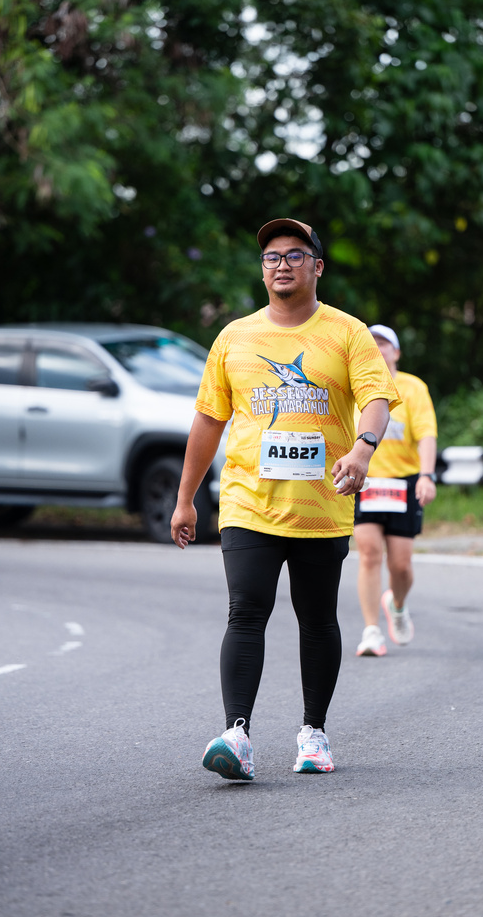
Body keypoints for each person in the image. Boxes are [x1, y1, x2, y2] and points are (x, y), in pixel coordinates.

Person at [170, 218, 400, 781]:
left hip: (323, 505)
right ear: (262, 270)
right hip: (248, 502)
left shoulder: (348, 333)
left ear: (317, 267)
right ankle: (237, 734)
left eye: (295, 255)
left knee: (317, 618)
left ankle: (313, 733)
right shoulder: (235, 337)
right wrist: (186, 498)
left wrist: (364, 447)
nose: (281, 265)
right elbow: (208, 420)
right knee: (245, 610)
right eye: (271, 257)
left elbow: (376, 399)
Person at [353, 324, 437, 657]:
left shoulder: (413, 388)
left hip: (404, 482)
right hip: (366, 480)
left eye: (384, 343)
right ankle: (371, 631)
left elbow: (426, 434)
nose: (377, 347)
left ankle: (397, 604)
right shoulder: (355, 383)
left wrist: (427, 476)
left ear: (396, 352)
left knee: (401, 565)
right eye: (371, 342)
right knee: (369, 553)